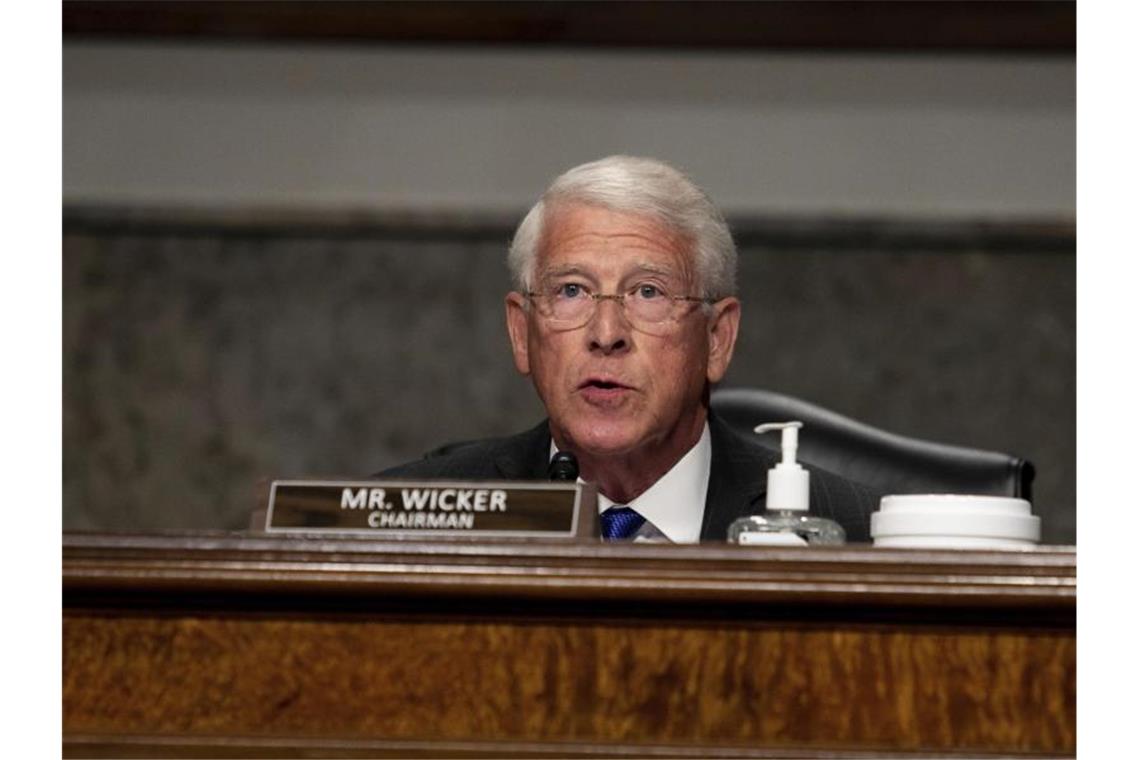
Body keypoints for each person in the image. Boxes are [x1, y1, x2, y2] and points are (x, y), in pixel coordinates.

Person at [378, 155, 879, 542]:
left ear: (716, 338)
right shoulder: (408, 518)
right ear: (521, 331)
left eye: (648, 292)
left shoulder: (855, 533)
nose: (606, 332)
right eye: (571, 290)